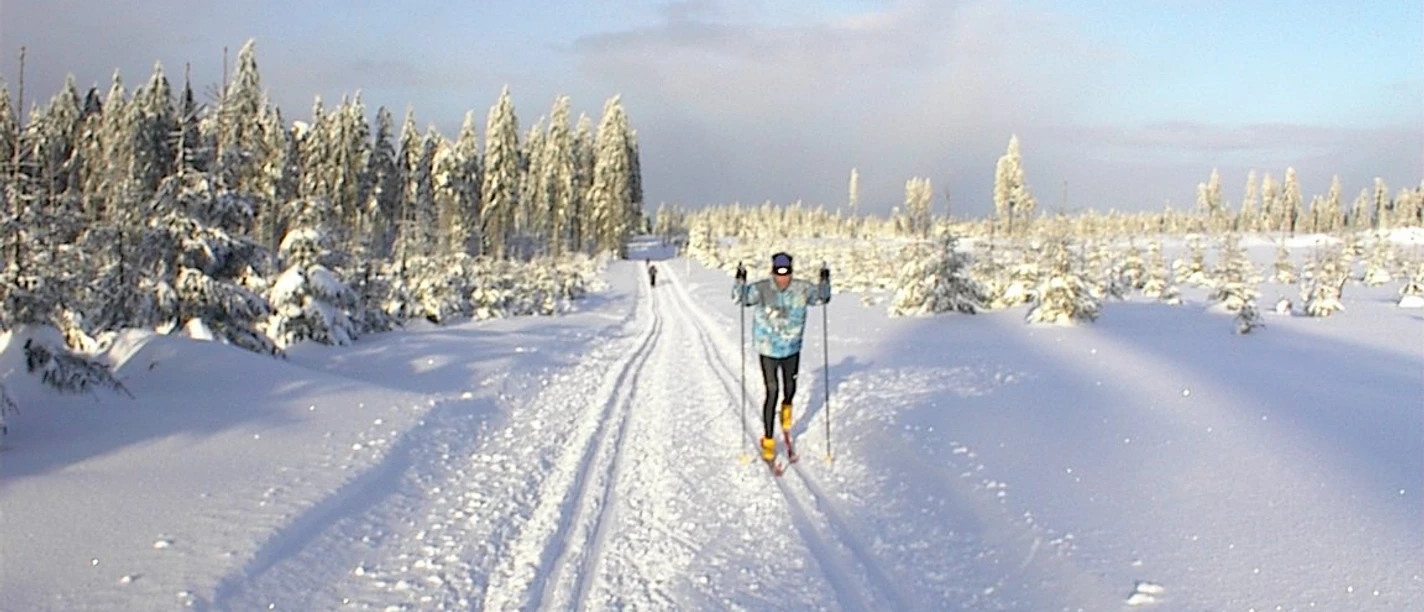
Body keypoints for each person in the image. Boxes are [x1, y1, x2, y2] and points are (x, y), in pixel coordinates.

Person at [733, 252, 831, 462]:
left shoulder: (802, 289)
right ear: (773, 271)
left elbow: (823, 297)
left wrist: (825, 280)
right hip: (768, 349)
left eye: (786, 273)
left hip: (792, 349)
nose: (782, 278)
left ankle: (786, 408)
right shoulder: (761, 288)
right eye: (779, 273)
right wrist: (740, 279)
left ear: (791, 271)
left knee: (789, 388)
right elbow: (739, 298)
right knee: (772, 391)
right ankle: (768, 439)